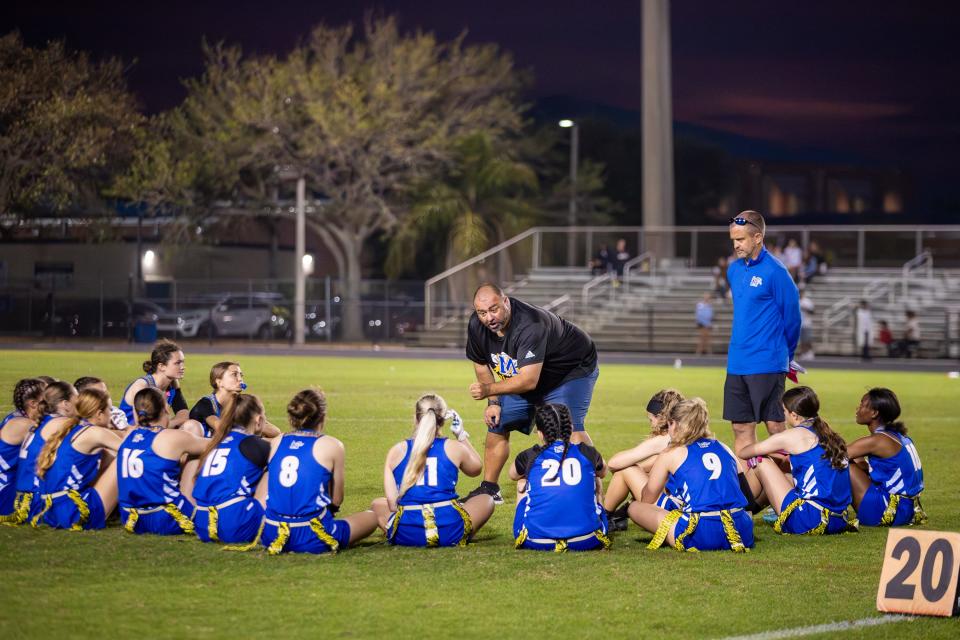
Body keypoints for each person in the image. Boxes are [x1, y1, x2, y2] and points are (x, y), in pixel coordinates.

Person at [464, 283, 600, 504]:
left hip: (570, 370)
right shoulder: (477, 326)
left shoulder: (530, 324)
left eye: (494, 309)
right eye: (482, 312)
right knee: (498, 422)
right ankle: (489, 488)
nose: (489, 317)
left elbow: (528, 381)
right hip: (531, 375)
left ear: (506, 301)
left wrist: (489, 389)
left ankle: (590, 489)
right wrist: (494, 402)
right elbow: (481, 364)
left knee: (569, 427)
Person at [259, 389, 381, 555]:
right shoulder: (332, 445)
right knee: (372, 517)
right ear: (322, 416)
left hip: (272, 533)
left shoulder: (276, 441)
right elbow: (337, 499)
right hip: (311, 534)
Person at [629, 398, 753, 553]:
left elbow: (648, 499)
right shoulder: (723, 447)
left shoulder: (671, 453)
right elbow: (747, 496)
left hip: (701, 532)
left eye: (669, 424)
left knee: (635, 507)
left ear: (675, 424)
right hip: (740, 530)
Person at [724, 211, 801, 455]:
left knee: (775, 426)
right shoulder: (734, 270)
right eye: (733, 240)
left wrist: (785, 356)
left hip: (768, 361)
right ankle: (752, 490)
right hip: (737, 362)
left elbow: (793, 319)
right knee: (740, 427)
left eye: (741, 240)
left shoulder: (776, 272)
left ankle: (788, 488)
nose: (736, 245)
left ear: (758, 237)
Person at [375, 394, 494, 547]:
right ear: (443, 420)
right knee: (486, 499)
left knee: (377, 504)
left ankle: (412, 533)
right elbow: (476, 468)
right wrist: (461, 435)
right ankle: (453, 532)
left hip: (406, 534)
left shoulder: (397, 451)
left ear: (415, 418)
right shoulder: (453, 447)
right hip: (450, 530)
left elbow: (392, 505)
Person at [738, 386, 857, 536]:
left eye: (784, 411)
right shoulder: (829, 432)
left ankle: (738, 511)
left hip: (810, 519)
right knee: (786, 475)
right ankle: (745, 511)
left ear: (794, 415)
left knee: (761, 462)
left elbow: (745, 452)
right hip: (837, 520)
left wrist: (772, 452)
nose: (783, 415)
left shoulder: (793, 436)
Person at [510, 404, 610, 552]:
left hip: (537, 540)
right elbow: (603, 472)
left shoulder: (531, 455)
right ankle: (593, 522)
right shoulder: (587, 452)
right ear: (570, 428)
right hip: (587, 539)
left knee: (522, 481)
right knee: (595, 478)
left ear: (540, 433)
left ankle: (531, 527)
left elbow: (512, 474)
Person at [116, 387, 206, 535]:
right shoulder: (170, 437)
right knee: (197, 451)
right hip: (166, 517)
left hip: (131, 519)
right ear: (165, 408)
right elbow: (215, 445)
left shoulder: (129, 435)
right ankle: (193, 501)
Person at [32, 388, 123, 530]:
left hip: (51, 510)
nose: (111, 415)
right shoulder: (95, 432)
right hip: (72, 511)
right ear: (99, 414)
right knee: (126, 459)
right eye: (109, 410)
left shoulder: (71, 428)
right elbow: (132, 450)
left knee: (108, 455)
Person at [192, 394, 275, 544]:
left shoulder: (217, 441)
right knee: (276, 466)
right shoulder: (252, 444)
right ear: (258, 420)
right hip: (234, 524)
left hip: (202, 524)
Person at [603, 388, 685, 530]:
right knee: (641, 472)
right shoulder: (687, 434)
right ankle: (619, 516)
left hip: (673, 509)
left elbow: (613, 463)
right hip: (689, 505)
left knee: (626, 470)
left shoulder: (665, 439)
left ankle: (603, 518)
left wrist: (634, 472)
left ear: (661, 417)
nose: (651, 423)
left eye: (651, 419)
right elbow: (656, 464)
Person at [847, 388, 925, 527]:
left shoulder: (878, 440)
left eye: (862, 404)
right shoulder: (899, 437)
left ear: (875, 413)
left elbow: (835, 457)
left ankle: (823, 508)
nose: (858, 408)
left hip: (889, 511)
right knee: (856, 458)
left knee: (842, 464)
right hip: (908, 509)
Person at [6, 381, 77, 525]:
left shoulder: (39, 421)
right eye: (77, 397)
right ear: (65, 403)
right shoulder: (59, 423)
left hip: (21, 497)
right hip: (33, 500)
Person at [118, 339, 202, 435]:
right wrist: (171, 424)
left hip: (156, 432)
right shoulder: (142, 386)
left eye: (183, 362)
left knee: (192, 426)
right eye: (177, 363)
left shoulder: (172, 383)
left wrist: (164, 425)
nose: (183, 367)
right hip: (134, 436)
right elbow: (143, 426)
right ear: (161, 366)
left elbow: (184, 415)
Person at [0, 378, 48, 519]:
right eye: (46, 398)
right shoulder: (25, 425)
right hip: (4, 491)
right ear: (33, 404)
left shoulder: (16, 417)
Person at [798, 290, 815, 360]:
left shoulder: (807, 301)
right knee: (802, 340)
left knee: (807, 339)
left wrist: (805, 309)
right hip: (799, 324)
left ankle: (810, 352)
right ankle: (803, 353)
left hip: (807, 323)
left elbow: (813, 312)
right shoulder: (796, 301)